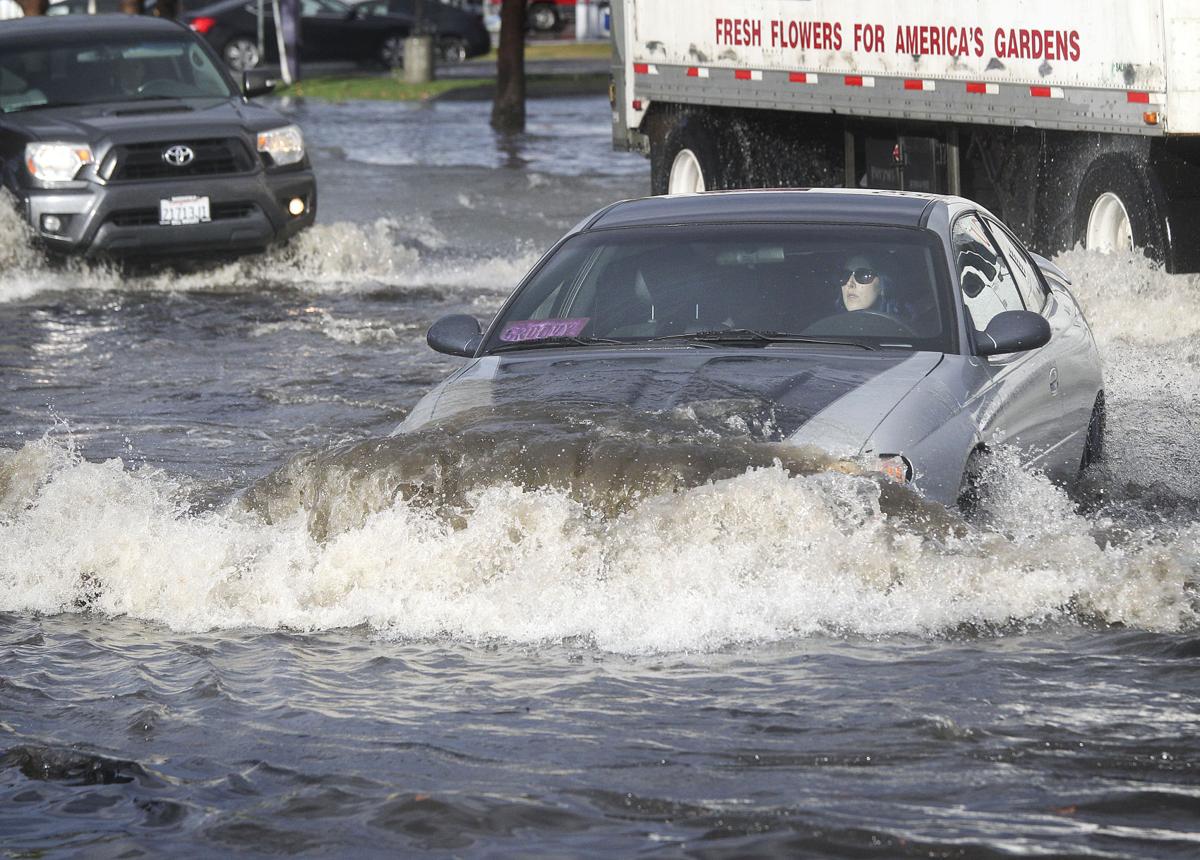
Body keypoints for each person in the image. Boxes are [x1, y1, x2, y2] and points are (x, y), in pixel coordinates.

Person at [833, 254, 902, 316]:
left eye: (862, 275)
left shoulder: (899, 328)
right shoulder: (830, 327)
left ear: (882, 286)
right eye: (845, 275)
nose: (850, 283)